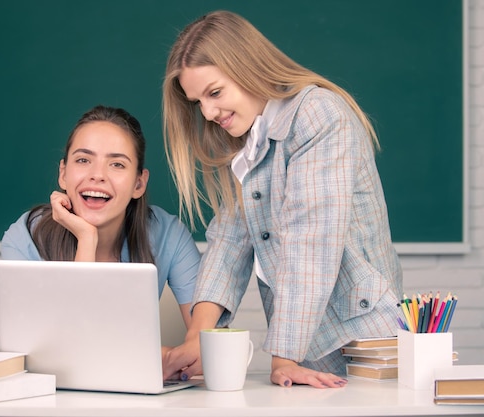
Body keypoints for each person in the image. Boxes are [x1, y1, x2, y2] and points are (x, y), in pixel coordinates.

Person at [161, 10, 403, 388]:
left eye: (215, 93)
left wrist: (283, 359)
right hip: (303, 350)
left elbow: (312, 243)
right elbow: (229, 241)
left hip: (362, 341)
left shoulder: (317, 114)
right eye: (198, 103)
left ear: (247, 67)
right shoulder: (250, 141)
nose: (208, 113)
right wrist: (197, 337)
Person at [1, 105, 200, 334]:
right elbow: (44, 347)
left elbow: (211, 339)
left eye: (117, 164)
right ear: (63, 174)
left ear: (139, 184)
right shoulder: (24, 239)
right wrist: (87, 238)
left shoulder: (168, 234)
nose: (97, 175)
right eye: (83, 160)